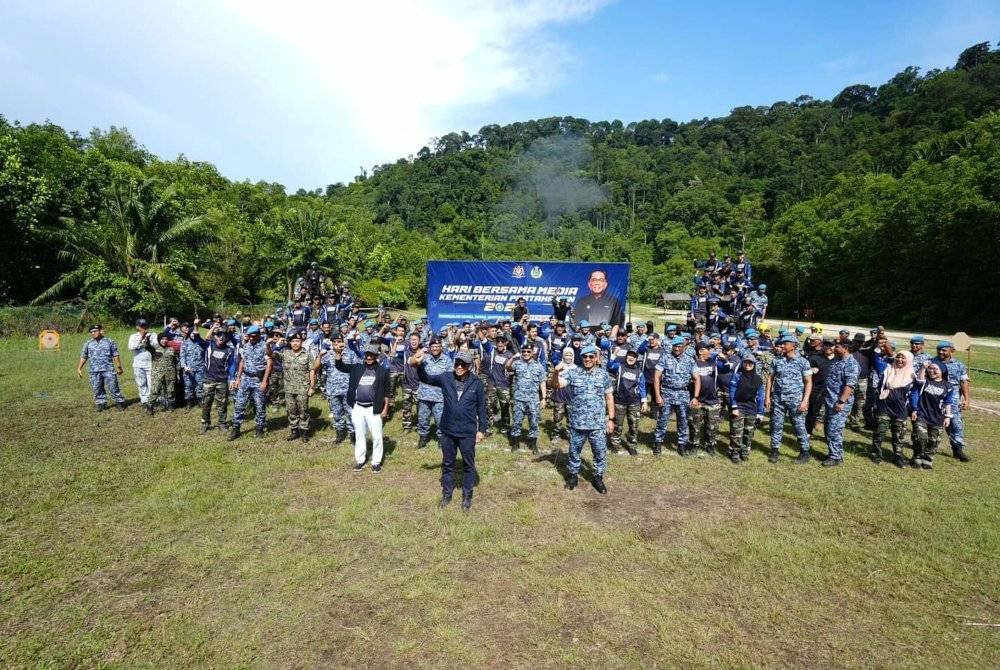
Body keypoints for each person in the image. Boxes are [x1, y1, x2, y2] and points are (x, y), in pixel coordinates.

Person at [411, 349, 488, 511]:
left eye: (463, 364)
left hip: (467, 432)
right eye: (457, 363)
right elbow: (426, 379)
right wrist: (419, 366)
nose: (459, 367)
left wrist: (481, 430)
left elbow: (482, 408)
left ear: (469, 366)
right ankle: (447, 494)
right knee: (447, 464)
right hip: (448, 430)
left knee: (468, 465)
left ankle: (467, 496)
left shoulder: (477, 383)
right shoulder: (446, 377)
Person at [552, 345, 614, 493]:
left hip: (597, 423)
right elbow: (555, 385)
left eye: (591, 357)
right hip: (577, 423)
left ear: (596, 358)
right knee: (574, 451)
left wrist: (611, 419)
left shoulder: (603, 375)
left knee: (600, 452)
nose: (587, 359)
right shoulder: (573, 373)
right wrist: (555, 372)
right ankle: (573, 476)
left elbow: (609, 397)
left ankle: (598, 477)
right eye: (585, 357)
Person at [335, 343, 391, 472]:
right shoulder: (357, 368)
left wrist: (385, 408)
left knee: (377, 436)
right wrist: (338, 353)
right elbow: (341, 366)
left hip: (374, 408)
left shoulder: (382, 371)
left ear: (376, 356)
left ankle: (376, 462)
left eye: (372, 355)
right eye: (367, 355)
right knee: (360, 435)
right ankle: (360, 460)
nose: (369, 357)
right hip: (358, 407)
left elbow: (387, 392)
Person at [766, 334, 813, 464]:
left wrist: (805, 401)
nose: (781, 346)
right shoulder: (777, 360)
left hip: (795, 400)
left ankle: (805, 452)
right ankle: (774, 450)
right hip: (778, 399)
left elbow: (808, 382)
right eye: (781, 344)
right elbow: (770, 379)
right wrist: (767, 397)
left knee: (799, 426)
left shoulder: (803, 362)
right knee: (776, 425)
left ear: (793, 346)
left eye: (785, 344)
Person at [266, 331, 316, 442]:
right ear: (290, 342)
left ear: (301, 342)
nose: (295, 343)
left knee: (303, 410)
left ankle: (304, 432)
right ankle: (294, 431)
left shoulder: (307, 355)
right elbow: (271, 355)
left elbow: (312, 370)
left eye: (297, 341)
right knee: (291, 410)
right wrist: (268, 345)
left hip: (303, 388)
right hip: (288, 388)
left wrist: (312, 386)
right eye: (293, 341)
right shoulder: (285, 354)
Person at [871, 348, 914, 467]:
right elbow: (876, 359)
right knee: (879, 432)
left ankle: (898, 457)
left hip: (900, 411)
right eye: (898, 357)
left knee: (899, 436)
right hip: (884, 407)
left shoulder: (912, 375)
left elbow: (915, 394)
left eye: (903, 358)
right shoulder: (887, 369)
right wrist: (879, 346)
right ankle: (876, 454)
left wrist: (914, 408)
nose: (899, 360)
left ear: (909, 360)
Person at [653, 337, 694, 456]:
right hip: (667, 393)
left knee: (683, 420)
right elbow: (656, 377)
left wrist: (695, 396)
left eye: (679, 346)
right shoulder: (665, 357)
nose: (676, 348)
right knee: (662, 420)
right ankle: (658, 443)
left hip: (683, 394)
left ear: (683, 347)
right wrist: (657, 395)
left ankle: (682, 445)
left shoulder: (689, 360)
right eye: (674, 346)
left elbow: (696, 377)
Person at [931, 341, 971, 462]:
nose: (941, 352)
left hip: (952, 398)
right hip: (934, 396)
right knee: (931, 421)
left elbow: (963, 382)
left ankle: (957, 449)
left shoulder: (959, 365)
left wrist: (967, 399)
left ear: (951, 351)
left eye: (944, 350)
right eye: (939, 350)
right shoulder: (932, 362)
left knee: (955, 424)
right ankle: (928, 445)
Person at [689, 343, 730, 457]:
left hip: (712, 400)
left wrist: (725, 359)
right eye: (707, 349)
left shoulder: (713, 363)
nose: (710, 351)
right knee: (695, 425)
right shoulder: (693, 364)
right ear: (700, 351)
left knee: (712, 426)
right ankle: (694, 445)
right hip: (697, 400)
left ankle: (710, 445)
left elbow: (726, 369)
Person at [822, 340, 859, 467]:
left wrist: (842, 401)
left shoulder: (851, 364)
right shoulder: (837, 360)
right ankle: (832, 452)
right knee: (828, 428)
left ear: (845, 348)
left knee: (834, 429)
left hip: (839, 403)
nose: (833, 348)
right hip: (829, 401)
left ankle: (836, 456)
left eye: (836, 346)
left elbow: (850, 385)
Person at [910, 362, 954, 469]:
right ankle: (917, 457)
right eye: (930, 368)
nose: (931, 371)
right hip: (922, 414)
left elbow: (948, 402)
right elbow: (919, 380)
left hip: (938, 417)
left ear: (942, 371)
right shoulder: (925, 381)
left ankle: (928, 460)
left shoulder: (948, 386)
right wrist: (923, 367)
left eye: (935, 369)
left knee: (934, 441)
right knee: (920, 437)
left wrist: (948, 416)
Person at [229, 325, 269, 440]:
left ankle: (259, 429)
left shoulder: (264, 346)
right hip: (245, 378)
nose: (251, 338)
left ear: (258, 335)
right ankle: (235, 429)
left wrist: (265, 381)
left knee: (260, 405)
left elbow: (269, 364)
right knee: (239, 404)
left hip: (258, 379)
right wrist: (238, 378)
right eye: (249, 336)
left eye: (253, 336)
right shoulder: (246, 345)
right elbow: (242, 361)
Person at [607, 347, 647, 456]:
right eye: (629, 355)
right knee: (617, 425)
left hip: (634, 403)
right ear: (626, 357)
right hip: (619, 402)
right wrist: (614, 353)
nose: (631, 357)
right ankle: (615, 444)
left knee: (633, 426)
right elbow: (609, 365)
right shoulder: (619, 367)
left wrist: (644, 401)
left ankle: (632, 445)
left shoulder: (639, 372)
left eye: (634, 356)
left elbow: (642, 387)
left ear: (636, 358)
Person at [507, 343, 547, 453]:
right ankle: (515, 443)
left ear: (532, 353)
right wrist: (513, 357)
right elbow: (507, 367)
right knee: (517, 421)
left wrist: (543, 398)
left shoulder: (539, 366)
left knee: (534, 422)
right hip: (519, 398)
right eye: (524, 351)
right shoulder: (517, 363)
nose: (526, 353)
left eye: (528, 351)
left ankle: (533, 444)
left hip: (533, 399)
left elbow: (542, 382)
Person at [77, 324, 126, 411]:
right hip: (94, 371)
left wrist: (118, 367)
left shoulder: (109, 342)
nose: (93, 333)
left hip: (108, 369)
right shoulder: (88, 344)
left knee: (113, 386)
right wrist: (79, 368)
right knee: (97, 388)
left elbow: (115, 355)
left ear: (100, 331)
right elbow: (84, 356)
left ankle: (119, 402)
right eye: (91, 332)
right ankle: (101, 403)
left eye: (95, 331)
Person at [415, 338, 452, 448]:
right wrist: (420, 353)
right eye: (433, 346)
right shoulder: (425, 358)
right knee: (422, 418)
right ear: (430, 348)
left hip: (439, 396)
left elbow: (450, 377)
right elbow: (412, 361)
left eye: (437, 346)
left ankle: (441, 438)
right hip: (424, 394)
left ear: (441, 347)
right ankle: (423, 437)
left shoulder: (447, 360)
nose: (435, 348)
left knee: (440, 419)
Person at [200, 328, 237, 433]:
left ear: (226, 338)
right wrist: (196, 326)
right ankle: (205, 423)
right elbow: (198, 339)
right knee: (206, 403)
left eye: (224, 335)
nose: (221, 337)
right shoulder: (209, 345)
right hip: (209, 379)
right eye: (219, 335)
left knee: (222, 403)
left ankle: (222, 423)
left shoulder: (229, 350)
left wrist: (232, 379)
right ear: (215, 336)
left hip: (222, 381)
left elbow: (232, 365)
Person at [729, 357, 765, 463]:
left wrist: (760, 412)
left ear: (754, 365)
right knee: (736, 432)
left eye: (750, 363)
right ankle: (734, 453)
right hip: (739, 407)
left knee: (748, 432)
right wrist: (734, 406)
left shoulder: (758, 379)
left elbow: (760, 397)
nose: (748, 365)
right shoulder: (737, 376)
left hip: (751, 409)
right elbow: (732, 392)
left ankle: (744, 452)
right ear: (742, 364)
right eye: (745, 363)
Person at [322, 333, 356, 443]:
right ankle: (340, 432)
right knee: (337, 413)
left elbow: (356, 369)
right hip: (333, 389)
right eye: (334, 342)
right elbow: (316, 367)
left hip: (348, 389)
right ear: (331, 343)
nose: (337, 343)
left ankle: (353, 434)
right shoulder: (327, 355)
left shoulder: (350, 354)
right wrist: (320, 355)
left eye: (339, 341)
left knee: (351, 412)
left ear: (343, 342)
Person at [572, 269, 624, 337]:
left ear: (605, 284)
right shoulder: (581, 301)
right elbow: (577, 324)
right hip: (586, 337)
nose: (597, 283)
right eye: (594, 280)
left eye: (601, 280)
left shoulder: (614, 301)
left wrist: (612, 338)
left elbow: (616, 323)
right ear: (589, 284)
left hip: (605, 337)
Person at [549, 348, 575, 445]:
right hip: (559, 396)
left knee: (571, 418)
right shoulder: (558, 367)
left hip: (571, 397)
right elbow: (551, 382)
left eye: (570, 355)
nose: (568, 357)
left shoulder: (576, 368)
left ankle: (570, 435)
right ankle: (556, 435)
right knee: (557, 418)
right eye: (567, 355)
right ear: (563, 356)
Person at [148, 331, 178, 414]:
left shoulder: (171, 349)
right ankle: (150, 406)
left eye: (166, 339)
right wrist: (146, 337)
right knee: (155, 390)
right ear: (159, 340)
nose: (164, 341)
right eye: (162, 339)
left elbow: (176, 362)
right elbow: (147, 346)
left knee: (170, 390)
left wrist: (177, 373)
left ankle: (171, 406)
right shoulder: (154, 350)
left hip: (170, 373)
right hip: (157, 374)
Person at [127, 319, 154, 410]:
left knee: (151, 383)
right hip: (138, 364)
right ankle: (144, 401)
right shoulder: (133, 336)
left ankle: (152, 400)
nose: (144, 328)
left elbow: (156, 345)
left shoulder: (152, 335)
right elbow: (131, 347)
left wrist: (148, 340)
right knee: (141, 383)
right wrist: (141, 338)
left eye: (145, 326)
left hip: (151, 363)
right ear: (137, 327)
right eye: (141, 326)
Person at [180, 322, 205, 409]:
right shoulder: (185, 343)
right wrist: (184, 366)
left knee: (200, 385)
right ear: (189, 334)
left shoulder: (201, 343)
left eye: (194, 334)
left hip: (200, 369)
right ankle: (189, 402)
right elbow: (182, 356)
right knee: (188, 386)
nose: (193, 335)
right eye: (191, 334)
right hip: (188, 369)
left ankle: (200, 401)